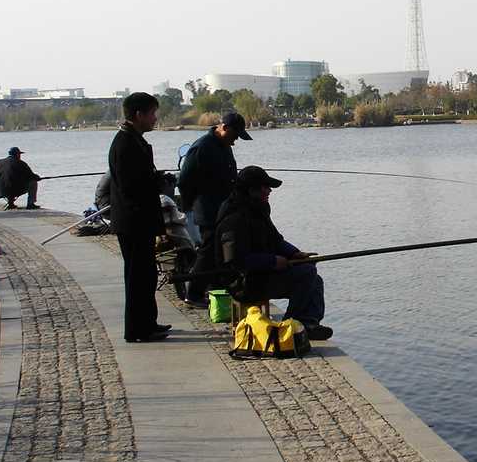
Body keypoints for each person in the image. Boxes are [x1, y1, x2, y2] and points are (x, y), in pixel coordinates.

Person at [214, 165, 332, 340]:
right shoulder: (234, 218)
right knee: (307, 274)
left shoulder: (258, 210)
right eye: (265, 187)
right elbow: (235, 261)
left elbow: (276, 240)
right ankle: (291, 326)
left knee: (313, 276)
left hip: (261, 274)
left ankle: (308, 324)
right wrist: (272, 261)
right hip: (244, 283)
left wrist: (295, 254)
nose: (269, 190)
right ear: (252, 190)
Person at [109, 92, 171, 343]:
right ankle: (137, 329)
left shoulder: (133, 140)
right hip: (134, 222)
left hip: (138, 220)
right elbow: (131, 186)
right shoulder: (125, 144)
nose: (155, 119)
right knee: (137, 276)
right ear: (139, 115)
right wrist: (157, 182)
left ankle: (147, 323)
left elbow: (139, 180)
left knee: (146, 275)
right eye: (152, 113)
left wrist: (157, 179)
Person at [178, 111, 252, 307]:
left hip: (223, 209)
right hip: (207, 209)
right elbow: (184, 180)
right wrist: (189, 207)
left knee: (220, 251)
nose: (235, 141)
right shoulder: (202, 147)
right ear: (224, 128)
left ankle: (215, 289)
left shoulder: (224, 145)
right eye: (235, 136)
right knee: (207, 252)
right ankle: (192, 293)